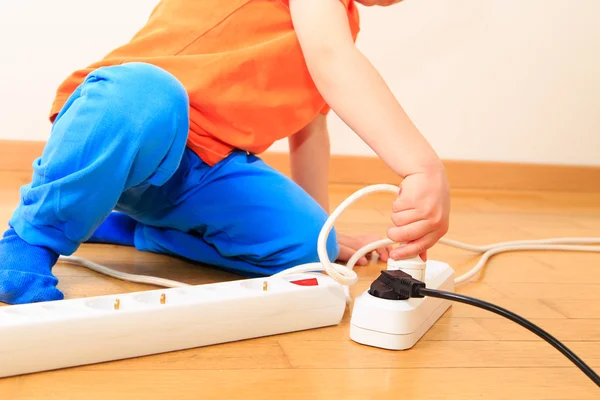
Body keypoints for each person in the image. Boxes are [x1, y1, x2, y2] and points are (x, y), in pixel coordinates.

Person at [0, 0, 450, 305]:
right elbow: (332, 61)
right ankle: (29, 241)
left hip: (207, 167)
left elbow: (310, 130)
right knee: (142, 93)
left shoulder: (339, 23)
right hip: (129, 131)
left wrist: (324, 237)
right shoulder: (326, 30)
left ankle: (129, 229)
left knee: (307, 247)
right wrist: (421, 167)